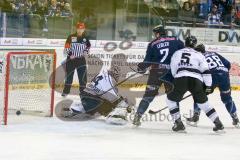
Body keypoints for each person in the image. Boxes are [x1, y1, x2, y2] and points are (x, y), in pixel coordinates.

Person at [166, 36, 224, 132]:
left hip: (181, 78)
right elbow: (206, 71)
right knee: (204, 104)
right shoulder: (199, 54)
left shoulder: (177, 53)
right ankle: (218, 123)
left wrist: (177, 78)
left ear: (185, 43)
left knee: (170, 101)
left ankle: (178, 123)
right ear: (195, 44)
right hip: (196, 80)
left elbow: (173, 69)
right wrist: (208, 86)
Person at [132, 24, 184, 126]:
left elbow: (147, 61)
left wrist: (140, 68)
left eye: (155, 34)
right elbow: (184, 53)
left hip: (156, 73)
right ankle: (177, 122)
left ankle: (137, 116)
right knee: (173, 98)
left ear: (158, 33)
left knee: (148, 96)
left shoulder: (152, 44)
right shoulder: (176, 40)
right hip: (170, 73)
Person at [186, 44, 240, 128]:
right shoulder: (214, 53)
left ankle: (195, 117)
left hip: (212, 76)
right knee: (227, 99)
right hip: (224, 76)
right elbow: (228, 64)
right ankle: (236, 119)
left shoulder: (198, 57)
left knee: (199, 95)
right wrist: (221, 73)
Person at [62, 62, 132, 125]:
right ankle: (115, 116)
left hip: (85, 95)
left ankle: (80, 108)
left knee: (97, 100)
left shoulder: (102, 73)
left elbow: (103, 91)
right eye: (117, 76)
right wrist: (125, 104)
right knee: (111, 106)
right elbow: (114, 98)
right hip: (93, 101)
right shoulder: (110, 80)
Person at [62, 22, 91, 97]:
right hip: (71, 61)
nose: (80, 30)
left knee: (82, 78)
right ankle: (65, 92)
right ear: (76, 28)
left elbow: (88, 46)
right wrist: (70, 54)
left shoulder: (85, 38)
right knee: (69, 77)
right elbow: (66, 47)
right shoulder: (71, 37)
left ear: (84, 29)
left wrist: (85, 51)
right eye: (78, 28)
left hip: (81, 60)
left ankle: (83, 93)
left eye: (81, 29)